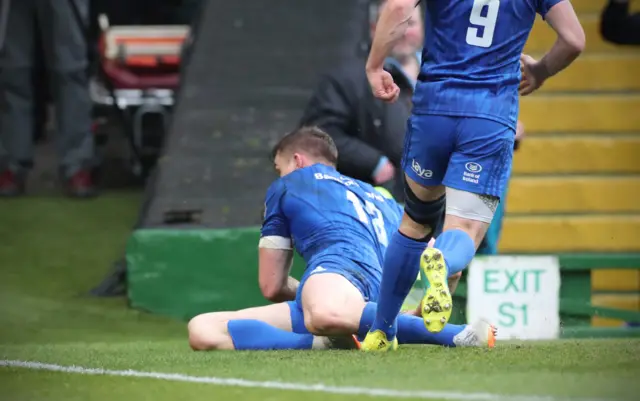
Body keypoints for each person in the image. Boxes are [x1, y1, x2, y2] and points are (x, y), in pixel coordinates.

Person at [361, 0, 585, 351]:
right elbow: (573, 39)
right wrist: (540, 71)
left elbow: (399, 5)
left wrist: (375, 66)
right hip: (489, 113)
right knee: (464, 229)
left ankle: (381, 331)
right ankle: (443, 260)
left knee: (415, 222)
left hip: (433, 108)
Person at [187, 126, 495, 351]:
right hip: (368, 291)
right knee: (202, 329)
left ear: (297, 161)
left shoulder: (290, 184)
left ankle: (459, 334)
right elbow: (427, 253)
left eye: (279, 168)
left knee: (325, 312)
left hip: (335, 273)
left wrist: (313, 289)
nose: (280, 176)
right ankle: (329, 342)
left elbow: (271, 285)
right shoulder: (380, 196)